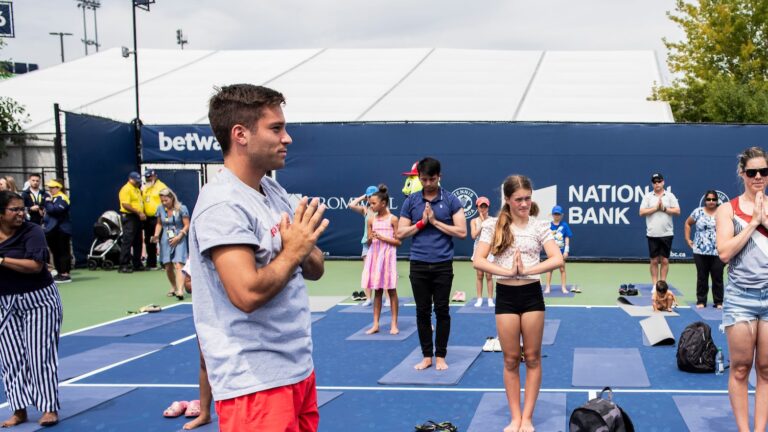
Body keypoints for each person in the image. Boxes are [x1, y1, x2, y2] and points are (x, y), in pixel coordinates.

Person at [189, 84, 328, 432]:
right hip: (254, 382)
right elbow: (246, 294)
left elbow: (316, 267)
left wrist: (300, 247)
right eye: (276, 128)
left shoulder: (273, 190)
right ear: (241, 135)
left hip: (297, 369)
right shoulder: (222, 204)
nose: (288, 138)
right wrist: (294, 249)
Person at [472, 175, 563, 432]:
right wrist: (507, 272)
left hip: (532, 296)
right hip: (506, 297)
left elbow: (557, 258)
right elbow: (478, 260)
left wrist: (530, 269)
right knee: (511, 359)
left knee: (532, 358)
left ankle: (527, 418)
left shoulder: (539, 226)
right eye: (519, 199)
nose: (524, 203)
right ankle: (514, 418)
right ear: (508, 200)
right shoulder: (493, 226)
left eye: (527, 198)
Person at [715, 146, 768, 432]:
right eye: (752, 172)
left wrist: (765, 219)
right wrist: (753, 224)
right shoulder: (727, 210)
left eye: (763, 171)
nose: (758, 177)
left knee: (766, 370)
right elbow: (724, 253)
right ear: (742, 174)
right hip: (740, 299)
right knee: (739, 368)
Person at [0, 191, 63, 427]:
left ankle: (49, 407)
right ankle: (18, 409)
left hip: (39, 301)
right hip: (5, 301)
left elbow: (35, 266)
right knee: (10, 357)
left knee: (40, 354)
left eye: (22, 208)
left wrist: (2, 260)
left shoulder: (33, 231)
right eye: (14, 209)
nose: (20, 213)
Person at [397, 157, 466, 371]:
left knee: (442, 310)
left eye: (432, 179)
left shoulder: (452, 200)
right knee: (422, 311)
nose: (427, 183)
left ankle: (441, 356)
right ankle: (427, 355)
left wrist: (435, 222)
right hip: (418, 264)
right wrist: (421, 223)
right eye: (424, 179)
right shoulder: (411, 201)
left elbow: (462, 232)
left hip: (442, 264)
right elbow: (400, 233)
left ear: (440, 177)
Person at [361, 184, 400, 335]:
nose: (371, 206)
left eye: (373, 203)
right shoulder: (370, 220)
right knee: (377, 290)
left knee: (391, 290)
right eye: (370, 203)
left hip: (388, 257)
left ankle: (394, 324)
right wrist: (370, 239)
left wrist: (383, 238)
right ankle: (375, 324)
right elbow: (369, 242)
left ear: (383, 203)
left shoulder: (393, 219)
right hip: (374, 256)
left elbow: (398, 242)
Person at [685, 190, 725, 309]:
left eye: (713, 199)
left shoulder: (723, 213)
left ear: (717, 201)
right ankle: (701, 301)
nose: (711, 202)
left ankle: (719, 302)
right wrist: (688, 239)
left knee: (717, 277)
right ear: (705, 200)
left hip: (718, 250)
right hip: (700, 251)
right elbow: (687, 223)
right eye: (708, 199)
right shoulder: (698, 212)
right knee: (702, 277)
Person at [639, 173, 680, 286]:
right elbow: (642, 212)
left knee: (665, 260)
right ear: (652, 184)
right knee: (654, 261)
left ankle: (662, 284)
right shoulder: (648, 197)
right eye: (654, 182)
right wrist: (656, 208)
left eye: (659, 181)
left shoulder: (670, 196)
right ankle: (654, 286)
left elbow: (677, 211)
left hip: (667, 233)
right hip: (652, 234)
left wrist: (664, 208)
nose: (657, 184)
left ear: (663, 182)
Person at [150, 188, 189, 300]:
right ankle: (174, 287)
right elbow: (159, 224)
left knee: (178, 264)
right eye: (162, 200)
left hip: (179, 237)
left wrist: (179, 236)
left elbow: (187, 225)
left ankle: (180, 290)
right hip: (165, 238)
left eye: (166, 200)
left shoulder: (182, 208)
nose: (164, 202)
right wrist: (156, 235)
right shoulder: (160, 209)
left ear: (172, 198)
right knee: (168, 266)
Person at [348, 185, 378, 306]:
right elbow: (351, 205)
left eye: (373, 196)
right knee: (367, 271)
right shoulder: (365, 210)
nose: (371, 199)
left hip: (379, 243)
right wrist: (364, 196)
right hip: (366, 244)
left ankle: (386, 299)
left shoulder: (382, 209)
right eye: (369, 196)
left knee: (380, 271)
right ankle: (368, 299)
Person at [43, 179, 72, 283]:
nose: (50, 189)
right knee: (56, 252)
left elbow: (55, 210)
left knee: (63, 251)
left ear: (58, 188)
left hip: (62, 230)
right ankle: (60, 272)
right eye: (49, 187)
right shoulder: (53, 198)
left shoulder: (62, 198)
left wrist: (48, 202)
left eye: (52, 187)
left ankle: (65, 274)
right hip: (53, 230)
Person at [118, 171, 145, 273]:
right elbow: (125, 205)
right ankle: (123, 264)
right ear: (130, 179)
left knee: (138, 241)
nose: (138, 182)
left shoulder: (136, 189)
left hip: (137, 217)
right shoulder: (126, 189)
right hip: (129, 217)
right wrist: (138, 212)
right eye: (136, 180)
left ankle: (137, 263)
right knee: (128, 240)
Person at [142, 170, 168, 270]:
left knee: (162, 240)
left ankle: (164, 263)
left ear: (155, 176)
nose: (148, 179)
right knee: (149, 240)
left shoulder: (161, 186)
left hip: (160, 218)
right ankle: (151, 263)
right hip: (148, 219)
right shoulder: (145, 188)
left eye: (150, 177)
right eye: (147, 177)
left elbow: (168, 201)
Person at [470, 196, 494, 307]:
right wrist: (482, 224)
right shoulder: (474, 221)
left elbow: (494, 235)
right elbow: (474, 235)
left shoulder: (493, 220)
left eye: (485, 206)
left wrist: (486, 222)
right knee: (479, 275)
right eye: (481, 206)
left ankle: (490, 299)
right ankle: (479, 299)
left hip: (489, 250)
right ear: (477, 208)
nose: (483, 209)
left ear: (488, 208)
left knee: (489, 276)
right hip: (478, 249)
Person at [545, 205, 573, 295]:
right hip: (552, 252)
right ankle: (548, 287)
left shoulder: (564, 225)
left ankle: (563, 287)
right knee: (550, 269)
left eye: (558, 214)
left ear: (562, 215)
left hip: (561, 252)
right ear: (552, 215)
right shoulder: (548, 226)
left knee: (562, 269)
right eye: (555, 214)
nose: (556, 216)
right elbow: (546, 239)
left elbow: (567, 238)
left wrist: (566, 250)